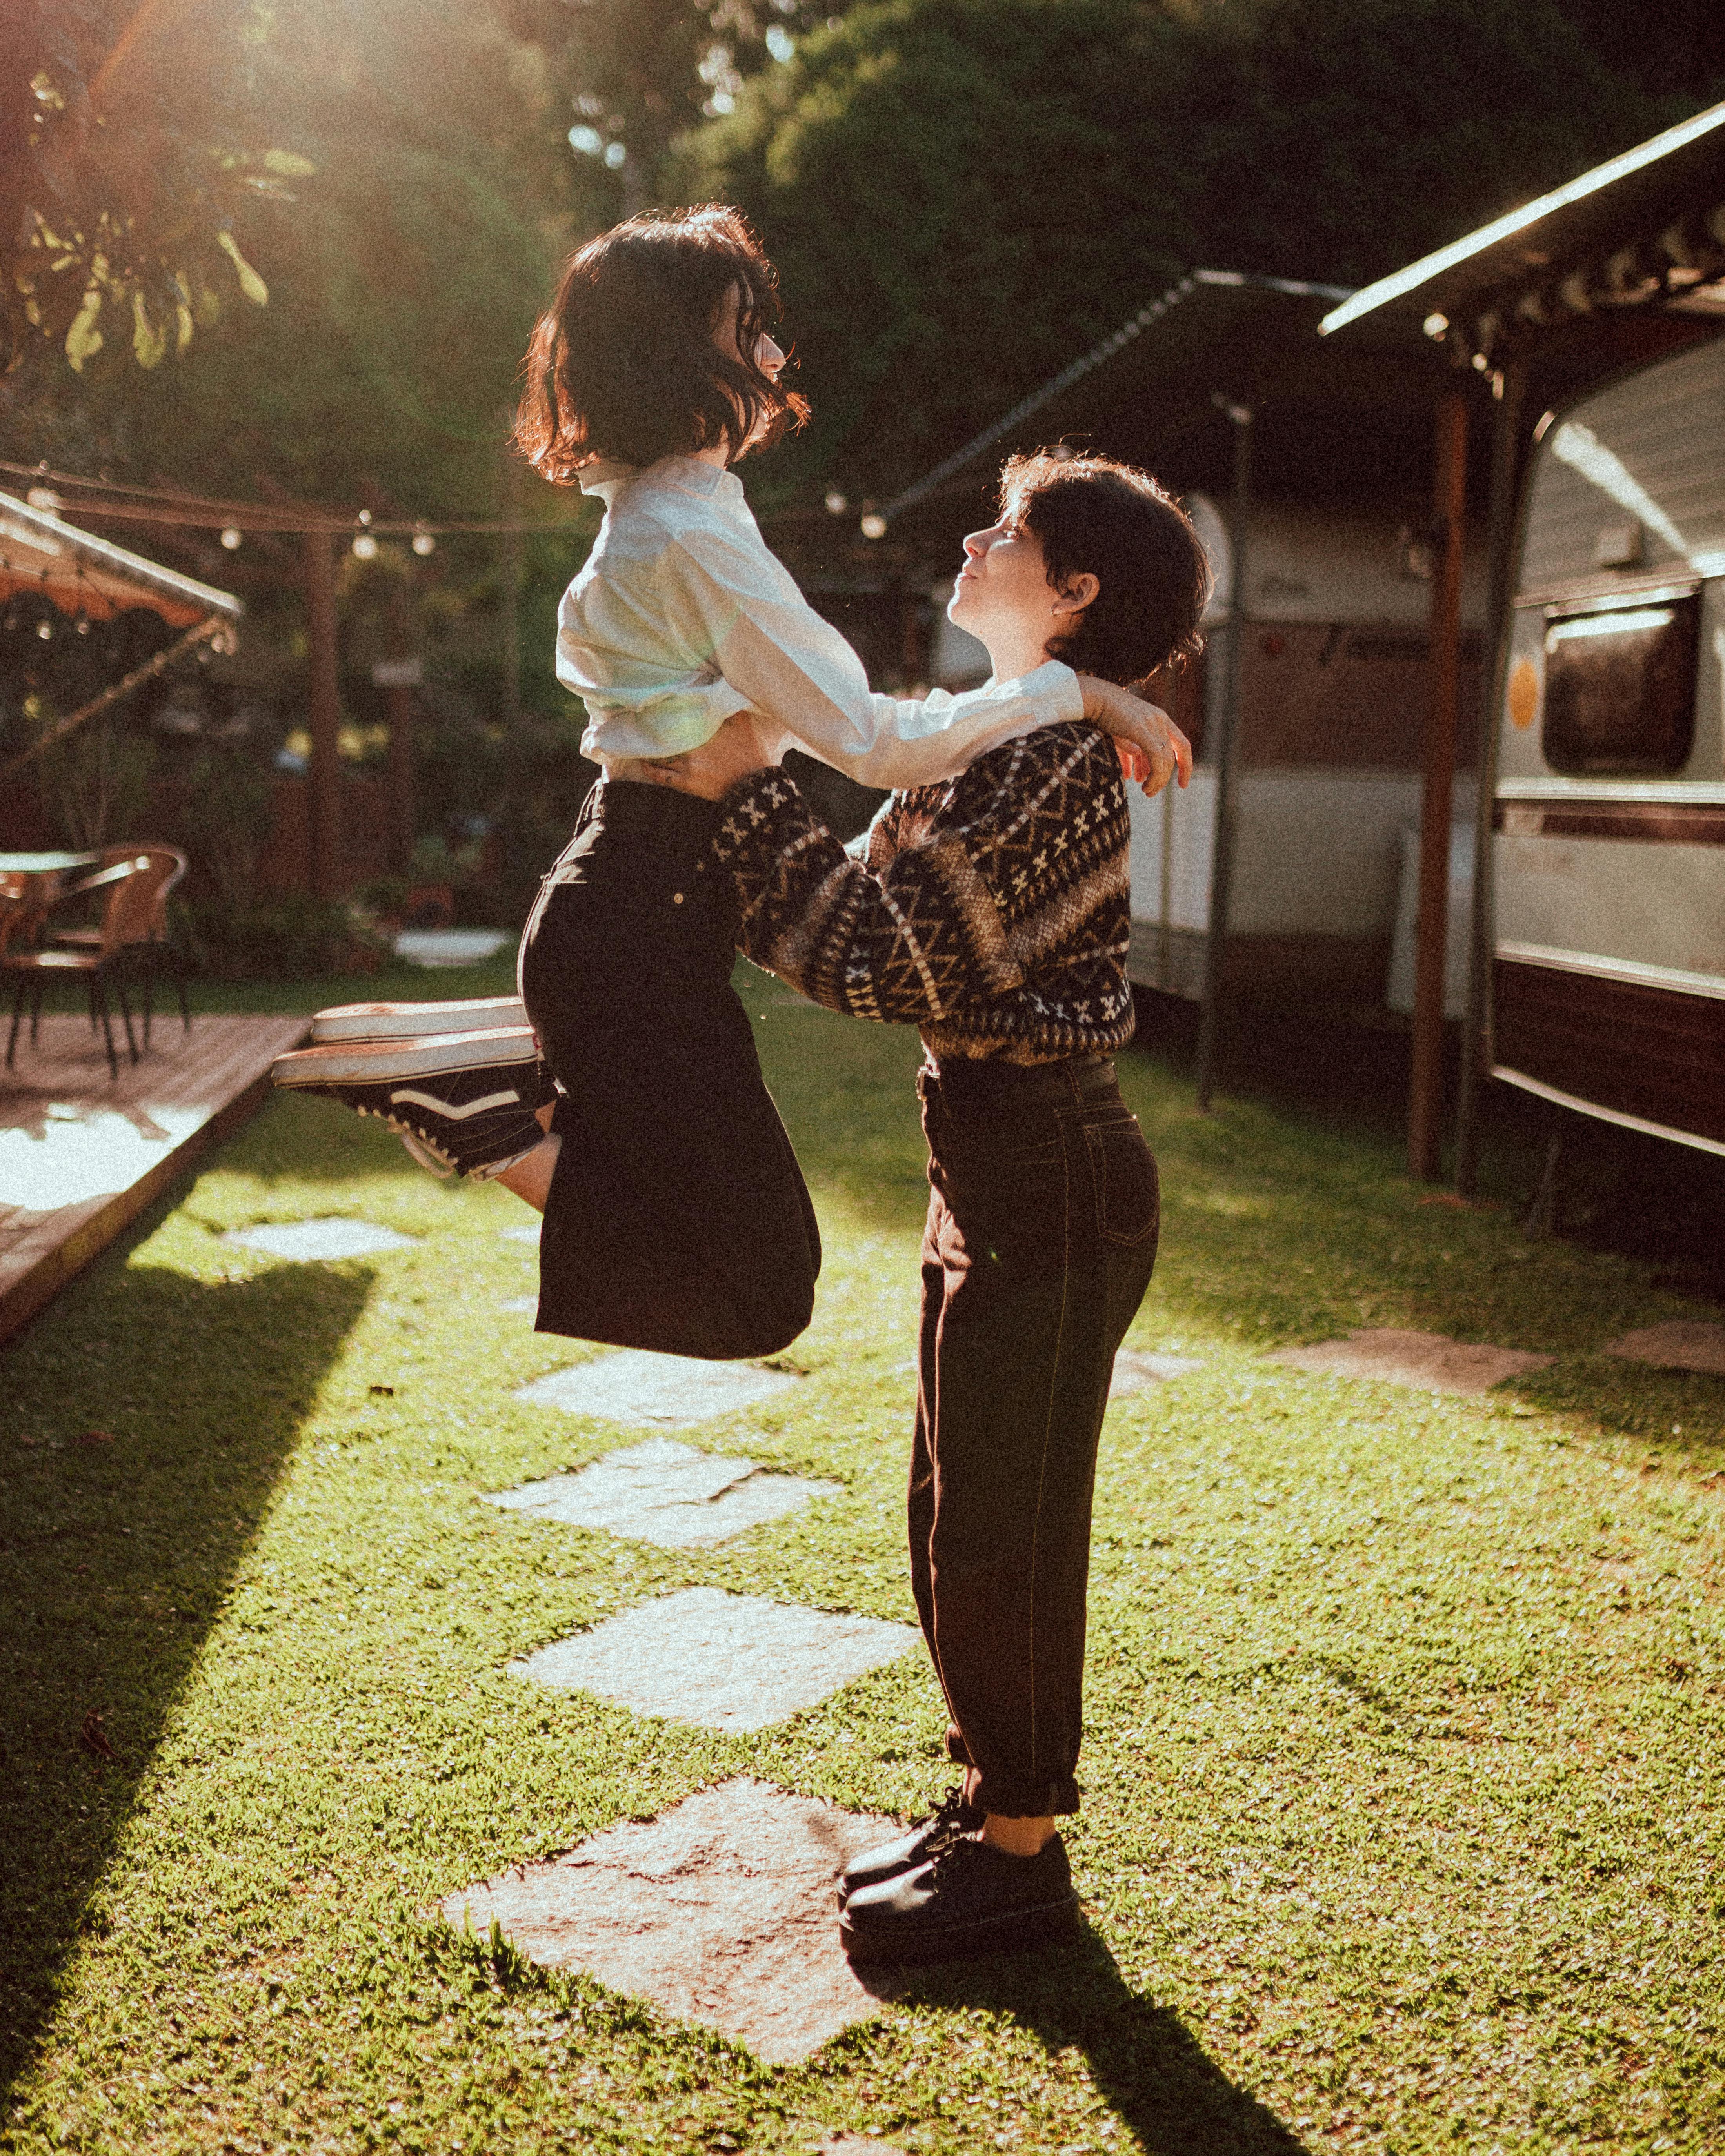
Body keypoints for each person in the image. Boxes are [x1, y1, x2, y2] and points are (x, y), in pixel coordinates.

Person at [273, 207, 1188, 1360]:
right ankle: (489, 1117)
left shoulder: (672, 514)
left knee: (742, 1260)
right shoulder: (691, 532)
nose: (772, 359)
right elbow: (870, 740)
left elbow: (825, 747)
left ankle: (499, 1094)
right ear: (677, 356)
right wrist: (1082, 694)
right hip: (643, 909)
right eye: (745, 332)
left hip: (635, 902)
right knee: (759, 1286)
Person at [645, 447, 1211, 1962]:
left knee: (1008, 1524)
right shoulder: (993, 741)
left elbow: (872, 957)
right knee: (953, 1506)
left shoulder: (1049, 765)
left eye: (1010, 531)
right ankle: (988, 1803)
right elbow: (846, 899)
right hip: (994, 1155)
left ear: (1075, 592)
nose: (972, 535)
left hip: (1052, 1167)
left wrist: (734, 782)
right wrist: (745, 787)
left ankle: (1020, 1856)